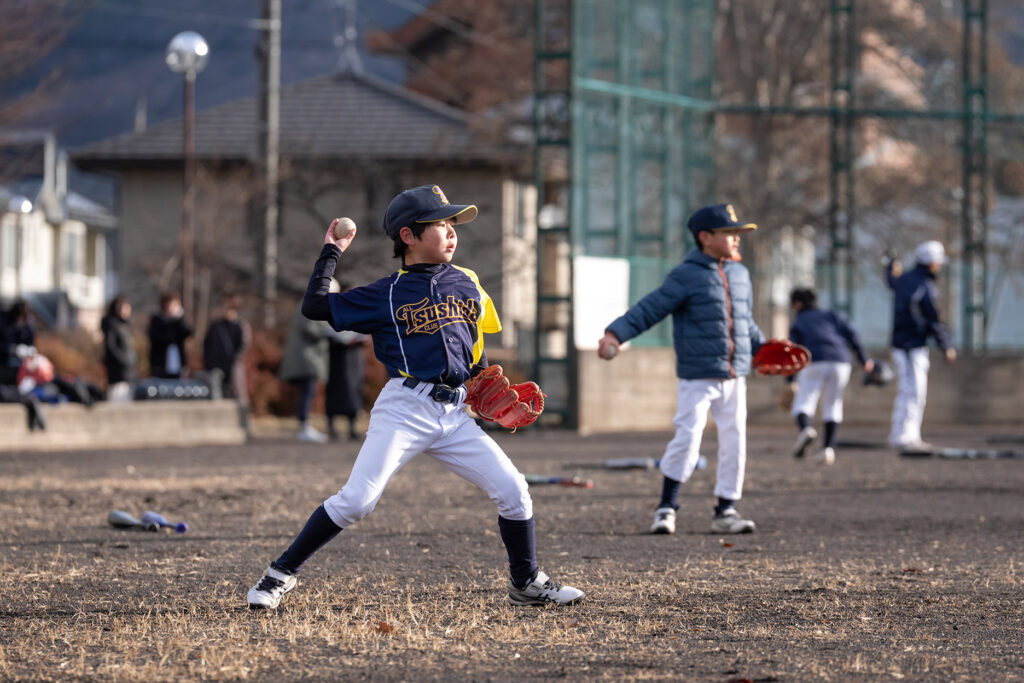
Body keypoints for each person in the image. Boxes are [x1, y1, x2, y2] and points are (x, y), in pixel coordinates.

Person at [246, 184, 584, 610]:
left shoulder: (467, 282)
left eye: (453, 222)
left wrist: (481, 384)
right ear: (408, 236)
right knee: (357, 502)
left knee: (515, 491)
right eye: (440, 223)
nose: (451, 230)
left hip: (455, 414)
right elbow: (315, 306)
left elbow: (472, 348)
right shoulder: (386, 292)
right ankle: (279, 574)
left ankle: (526, 581)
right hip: (405, 409)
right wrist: (332, 251)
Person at [598, 203, 766, 536]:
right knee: (688, 439)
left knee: (736, 442)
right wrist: (615, 334)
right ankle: (666, 507)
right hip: (698, 376)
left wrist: (765, 349)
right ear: (705, 237)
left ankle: (726, 510)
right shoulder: (686, 275)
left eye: (738, 232)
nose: (736, 238)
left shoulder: (740, 274)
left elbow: (745, 323)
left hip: (735, 376)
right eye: (729, 232)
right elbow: (650, 308)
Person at [786, 287, 873, 465]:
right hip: (841, 361)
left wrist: (790, 379)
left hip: (813, 360)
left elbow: (793, 351)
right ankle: (828, 449)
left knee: (804, 401)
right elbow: (852, 334)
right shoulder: (832, 315)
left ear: (797, 304)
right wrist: (864, 359)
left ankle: (806, 429)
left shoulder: (799, 320)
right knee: (833, 404)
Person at [885, 240, 956, 450]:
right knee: (915, 391)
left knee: (905, 390)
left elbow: (891, 281)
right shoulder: (925, 286)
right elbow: (933, 319)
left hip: (899, 343)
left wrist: (890, 265)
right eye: (938, 262)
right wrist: (946, 345)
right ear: (931, 263)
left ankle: (900, 434)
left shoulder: (904, 279)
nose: (939, 266)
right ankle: (907, 436)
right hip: (914, 345)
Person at [278, 305, 332, 443]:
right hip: (306, 358)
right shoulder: (309, 304)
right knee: (307, 393)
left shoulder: (305, 304)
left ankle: (305, 426)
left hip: (305, 357)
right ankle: (305, 427)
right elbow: (310, 328)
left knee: (306, 393)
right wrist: (328, 331)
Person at [203, 293, 252, 433]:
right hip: (216, 366)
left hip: (233, 366)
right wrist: (209, 363)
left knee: (239, 394)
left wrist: (235, 360)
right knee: (216, 394)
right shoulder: (215, 326)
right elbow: (207, 345)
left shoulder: (241, 325)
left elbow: (244, 345)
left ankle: (244, 426)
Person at [325, 280, 367, 441]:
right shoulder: (334, 310)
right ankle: (332, 426)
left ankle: (352, 427)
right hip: (338, 357)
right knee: (335, 391)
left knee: (354, 390)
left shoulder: (361, 311)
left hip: (355, 358)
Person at [148, 292, 193, 379]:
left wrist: (179, 317)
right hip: (160, 364)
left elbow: (188, 332)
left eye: (174, 305)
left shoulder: (179, 321)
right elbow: (160, 338)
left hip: (178, 363)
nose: (171, 308)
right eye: (169, 305)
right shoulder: (157, 320)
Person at [101, 295, 137, 402]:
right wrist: (124, 361)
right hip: (118, 372)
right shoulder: (112, 325)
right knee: (118, 398)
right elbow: (111, 347)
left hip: (129, 371)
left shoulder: (125, 326)